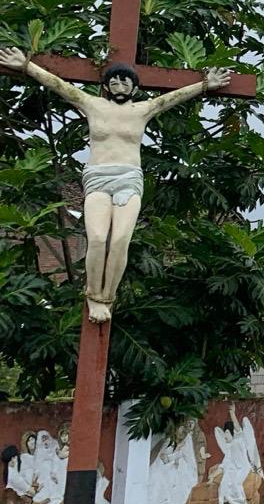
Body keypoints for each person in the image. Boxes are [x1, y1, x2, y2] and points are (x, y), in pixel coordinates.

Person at [0, 48, 231, 322]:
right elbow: (60, 86)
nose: (119, 86)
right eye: (114, 82)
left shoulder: (142, 110)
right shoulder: (92, 104)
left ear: (134, 87)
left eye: (125, 82)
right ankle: (92, 293)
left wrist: (205, 85)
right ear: (106, 86)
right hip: (98, 178)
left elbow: (172, 97)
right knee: (98, 239)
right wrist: (27, 66)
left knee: (121, 240)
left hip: (128, 179)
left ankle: (106, 297)